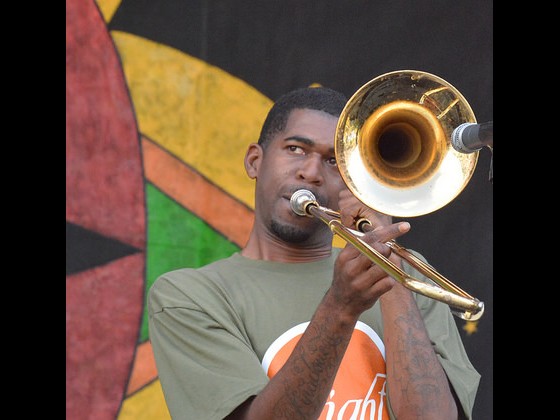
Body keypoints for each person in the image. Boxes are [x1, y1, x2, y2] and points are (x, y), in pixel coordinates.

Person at [148, 86, 481, 420]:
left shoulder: (410, 274)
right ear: (254, 161)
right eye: (295, 149)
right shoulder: (187, 295)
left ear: (354, 181)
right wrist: (340, 306)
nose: (310, 172)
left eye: (334, 160)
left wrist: (389, 269)